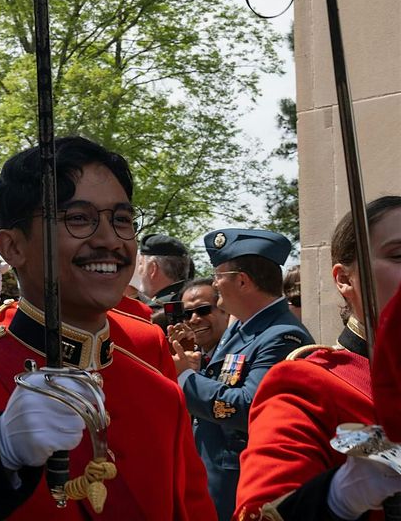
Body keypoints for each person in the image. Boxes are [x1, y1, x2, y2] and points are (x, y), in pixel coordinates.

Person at [0, 136, 216, 520]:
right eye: (79, 219)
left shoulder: (159, 394)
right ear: (12, 247)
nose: (110, 239)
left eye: (122, 220)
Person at [235, 196, 401, 521]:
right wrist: (341, 497)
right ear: (344, 279)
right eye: (399, 255)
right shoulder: (309, 384)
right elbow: (260, 512)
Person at [173, 228, 313, 521]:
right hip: (215, 476)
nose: (214, 283)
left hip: (240, 485)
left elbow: (248, 407)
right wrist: (196, 370)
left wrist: (186, 378)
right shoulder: (243, 327)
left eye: (218, 276)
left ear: (242, 281)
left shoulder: (282, 336)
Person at [132, 233, 194, 328]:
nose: (138, 270)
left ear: (153, 269)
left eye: (141, 264)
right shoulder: (197, 299)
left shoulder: (154, 311)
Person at [167, 278, 231, 368]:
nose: (194, 319)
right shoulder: (189, 354)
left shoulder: (241, 351)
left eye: (203, 310)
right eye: (187, 314)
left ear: (225, 311)